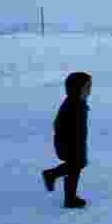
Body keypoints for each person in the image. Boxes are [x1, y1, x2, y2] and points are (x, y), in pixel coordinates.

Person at [42, 72, 92, 208]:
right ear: (77, 89)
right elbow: (58, 124)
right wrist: (67, 142)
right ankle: (67, 195)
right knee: (75, 167)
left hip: (76, 143)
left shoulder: (78, 102)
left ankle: (68, 195)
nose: (90, 89)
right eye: (87, 86)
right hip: (70, 144)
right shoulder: (73, 105)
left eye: (90, 86)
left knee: (75, 167)